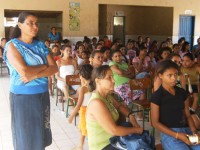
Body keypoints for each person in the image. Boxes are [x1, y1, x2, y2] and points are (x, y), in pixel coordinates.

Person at [3, 11, 58, 150]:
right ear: (20, 25)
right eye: (30, 23)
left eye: (36, 23)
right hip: (23, 97)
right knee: (26, 137)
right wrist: (45, 66)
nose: (35, 26)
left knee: (41, 133)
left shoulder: (40, 45)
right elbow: (24, 71)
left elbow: (54, 68)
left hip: (42, 94)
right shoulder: (12, 46)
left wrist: (35, 75)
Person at [86, 65, 143, 150]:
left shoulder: (107, 96)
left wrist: (131, 115)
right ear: (98, 81)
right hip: (103, 145)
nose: (113, 80)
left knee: (142, 144)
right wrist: (136, 130)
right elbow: (114, 130)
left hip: (114, 140)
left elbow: (120, 106)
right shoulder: (96, 103)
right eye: (109, 78)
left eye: (113, 77)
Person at [151, 60, 200, 150]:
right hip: (169, 133)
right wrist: (177, 135)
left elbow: (188, 115)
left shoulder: (182, 93)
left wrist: (194, 131)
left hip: (186, 130)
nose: (174, 78)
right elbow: (155, 123)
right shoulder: (157, 96)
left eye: (175, 74)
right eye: (169, 75)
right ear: (160, 76)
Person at [68, 64, 93, 150]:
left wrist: (71, 116)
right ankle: (80, 146)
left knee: (84, 130)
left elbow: (78, 104)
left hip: (84, 111)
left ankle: (82, 147)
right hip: (92, 110)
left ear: (81, 76)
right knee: (85, 129)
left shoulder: (83, 89)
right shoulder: (93, 86)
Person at [55, 45, 78, 110]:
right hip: (62, 80)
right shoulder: (58, 62)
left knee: (81, 88)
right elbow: (57, 76)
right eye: (67, 50)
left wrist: (74, 75)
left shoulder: (73, 60)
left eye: (70, 50)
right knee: (65, 88)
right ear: (62, 51)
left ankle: (76, 101)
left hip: (72, 79)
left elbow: (77, 70)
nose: (69, 52)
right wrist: (65, 80)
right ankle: (73, 107)